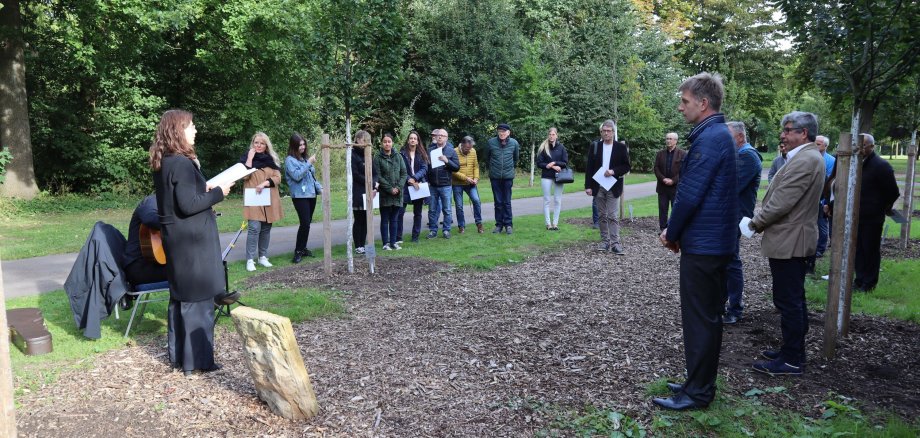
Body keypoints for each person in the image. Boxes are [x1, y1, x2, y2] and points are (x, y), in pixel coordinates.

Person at [654, 73, 736, 411]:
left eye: (685, 101)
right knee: (707, 316)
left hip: (705, 246)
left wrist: (671, 233)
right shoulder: (717, 134)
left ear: (703, 103)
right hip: (711, 242)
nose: (680, 106)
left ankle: (698, 392)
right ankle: (697, 381)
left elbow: (689, 195)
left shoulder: (709, 139)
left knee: (700, 318)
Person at [149, 109, 232, 376]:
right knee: (198, 302)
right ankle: (198, 362)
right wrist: (218, 192)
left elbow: (178, 200)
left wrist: (202, 189)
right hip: (193, 243)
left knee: (182, 300)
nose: (195, 130)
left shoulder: (165, 161)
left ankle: (181, 359)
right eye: (191, 126)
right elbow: (187, 205)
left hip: (178, 241)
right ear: (178, 130)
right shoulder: (182, 163)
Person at [747, 111, 825, 376]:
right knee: (792, 298)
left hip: (791, 240)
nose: (783, 134)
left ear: (804, 133)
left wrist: (754, 224)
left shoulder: (806, 159)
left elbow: (782, 202)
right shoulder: (806, 157)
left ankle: (791, 360)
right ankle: (793, 351)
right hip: (791, 238)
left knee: (788, 300)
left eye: (788, 130)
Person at [724, 121, 763, 325]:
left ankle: (735, 308)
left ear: (739, 137)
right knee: (725, 261)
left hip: (735, 216)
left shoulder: (747, 156)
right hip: (729, 215)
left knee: (731, 261)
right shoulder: (739, 154)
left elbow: (729, 185)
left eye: (727, 136)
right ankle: (724, 304)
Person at [851, 133, 900, 291]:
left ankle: (869, 282)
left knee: (870, 250)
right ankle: (859, 279)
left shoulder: (881, 166)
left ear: (872, 146)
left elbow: (893, 192)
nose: (860, 148)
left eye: (863, 145)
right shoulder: (855, 163)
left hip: (872, 217)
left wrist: (881, 207)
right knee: (857, 249)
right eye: (858, 145)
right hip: (856, 216)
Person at [584, 119, 630, 255]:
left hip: (613, 186)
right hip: (598, 186)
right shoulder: (595, 146)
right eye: (604, 131)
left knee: (612, 215)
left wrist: (613, 171)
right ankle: (605, 241)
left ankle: (616, 243)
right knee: (601, 215)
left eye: (608, 131)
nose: (606, 133)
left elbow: (626, 166)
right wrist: (588, 186)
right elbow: (589, 167)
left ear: (613, 132)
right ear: (601, 132)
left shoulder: (620, 147)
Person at [241, 132, 283, 272]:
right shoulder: (246, 159)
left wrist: (265, 183)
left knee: (266, 228)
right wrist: (250, 159)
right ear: (253, 144)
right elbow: (244, 177)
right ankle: (250, 260)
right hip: (253, 198)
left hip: (269, 198)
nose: (258, 145)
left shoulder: (271, 160)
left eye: (262, 143)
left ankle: (263, 257)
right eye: (256, 142)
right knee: (254, 228)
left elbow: (277, 178)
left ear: (266, 146)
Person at [284, 133, 321, 263]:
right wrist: (309, 163)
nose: (303, 147)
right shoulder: (290, 160)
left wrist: (320, 188)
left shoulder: (304, 160)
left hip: (311, 195)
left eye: (304, 144)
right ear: (294, 146)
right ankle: (298, 251)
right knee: (304, 223)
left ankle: (303, 248)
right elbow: (297, 176)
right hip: (300, 196)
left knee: (307, 224)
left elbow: (312, 177)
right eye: (300, 145)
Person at [122, 194, 168, 287]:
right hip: (141, 268)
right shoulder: (152, 201)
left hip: (154, 264)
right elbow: (149, 219)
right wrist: (179, 222)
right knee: (193, 270)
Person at [484, 123, 520, 234]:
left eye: (504, 131)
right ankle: (499, 225)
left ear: (508, 132)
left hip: (508, 177)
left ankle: (508, 225)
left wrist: (508, 169)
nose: (501, 133)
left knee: (507, 202)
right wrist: (493, 168)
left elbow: (516, 159)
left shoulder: (514, 143)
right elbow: (486, 158)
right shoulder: (491, 142)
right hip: (495, 177)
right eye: (500, 131)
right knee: (498, 202)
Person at [807, 135, 836, 274]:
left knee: (822, 224)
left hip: (822, 199)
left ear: (825, 146)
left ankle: (820, 248)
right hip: (810, 199)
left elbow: (829, 182)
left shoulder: (830, 161)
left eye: (818, 144)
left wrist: (825, 202)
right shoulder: (809, 157)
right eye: (815, 143)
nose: (816, 146)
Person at [375, 133, 407, 250]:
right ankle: (385, 243)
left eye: (389, 141)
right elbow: (378, 175)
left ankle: (393, 242)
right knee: (385, 219)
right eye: (385, 141)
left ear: (392, 143)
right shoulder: (377, 157)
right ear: (382, 143)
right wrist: (390, 189)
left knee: (394, 218)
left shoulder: (398, 156)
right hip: (385, 194)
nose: (387, 143)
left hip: (398, 194)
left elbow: (404, 173)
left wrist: (398, 188)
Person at [426, 128, 460, 239]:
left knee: (447, 209)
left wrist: (447, 160)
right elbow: (426, 167)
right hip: (433, 186)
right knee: (432, 209)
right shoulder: (430, 151)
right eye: (438, 135)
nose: (439, 137)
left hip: (446, 185)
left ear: (446, 138)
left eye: (442, 135)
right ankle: (433, 230)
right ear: (435, 137)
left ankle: (446, 230)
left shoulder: (451, 151)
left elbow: (456, 167)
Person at [398, 131, 429, 243]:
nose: (412, 140)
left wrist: (415, 178)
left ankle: (415, 237)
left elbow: (424, 168)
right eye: (411, 138)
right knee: (400, 212)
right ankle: (398, 237)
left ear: (417, 141)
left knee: (418, 213)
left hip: (418, 185)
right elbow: (400, 169)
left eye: (415, 138)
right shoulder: (402, 153)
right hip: (405, 186)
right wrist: (408, 179)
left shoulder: (422, 154)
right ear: (408, 140)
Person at [535, 127, 569, 230]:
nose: (551, 136)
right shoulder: (544, 147)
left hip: (559, 177)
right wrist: (549, 166)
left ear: (556, 135)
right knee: (547, 200)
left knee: (557, 200)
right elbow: (539, 163)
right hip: (546, 176)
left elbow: (565, 162)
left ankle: (555, 223)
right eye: (550, 134)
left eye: (553, 134)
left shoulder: (561, 147)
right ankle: (548, 224)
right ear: (548, 135)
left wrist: (554, 163)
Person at [351, 130, 378, 254]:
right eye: (362, 140)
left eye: (366, 140)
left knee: (367, 218)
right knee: (359, 218)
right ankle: (358, 245)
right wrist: (370, 183)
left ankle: (364, 243)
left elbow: (375, 173)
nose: (364, 143)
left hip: (370, 191)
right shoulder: (352, 155)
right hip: (358, 190)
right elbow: (355, 174)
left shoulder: (369, 155)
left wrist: (375, 185)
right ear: (357, 140)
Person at [653, 133, 686, 231]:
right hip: (662, 186)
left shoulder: (682, 154)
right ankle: (663, 228)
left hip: (676, 187)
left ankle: (674, 229)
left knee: (675, 209)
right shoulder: (660, 153)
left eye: (670, 139)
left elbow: (684, 169)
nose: (668, 141)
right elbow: (656, 168)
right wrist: (663, 179)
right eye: (667, 138)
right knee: (662, 209)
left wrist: (673, 180)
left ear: (676, 141)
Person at [452, 135, 484, 234]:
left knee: (476, 201)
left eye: (470, 148)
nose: (468, 150)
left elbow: (476, 166)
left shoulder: (473, 151)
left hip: (471, 183)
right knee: (459, 206)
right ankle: (461, 226)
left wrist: (476, 178)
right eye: (466, 148)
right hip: (457, 183)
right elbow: (452, 170)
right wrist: (466, 178)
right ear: (462, 144)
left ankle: (479, 224)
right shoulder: (454, 152)